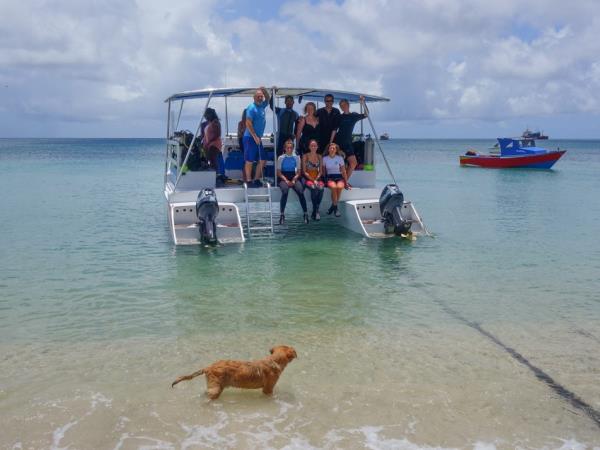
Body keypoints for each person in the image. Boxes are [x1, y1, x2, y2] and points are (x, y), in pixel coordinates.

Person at [332, 96, 367, 181]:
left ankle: (344, 182)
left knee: (353, 163)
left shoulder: (353, 115)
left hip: (348, 143)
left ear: (348, 105)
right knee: (340, 164)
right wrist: (331, 143)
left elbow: (366, 114)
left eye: (344, 105)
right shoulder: (339, 117)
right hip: (338, 142)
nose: (343, 107)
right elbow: (334, 130)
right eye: (341, 106)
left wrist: (363, 103)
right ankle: (339, 182)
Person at [277, 139, 309, 225]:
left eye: (291, 148)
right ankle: (282, 215)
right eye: (287, 148)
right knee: (285, 191)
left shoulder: (296, 158)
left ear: (293, 148)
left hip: (294, 176)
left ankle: (305, 214)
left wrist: (294, 180)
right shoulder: (281, 158)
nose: (289, 149)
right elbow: (279, 173)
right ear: (285, 148)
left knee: (300, 191)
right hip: (283, 177)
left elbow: (298, 172)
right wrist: (286, 181)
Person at [243, 87, 270, 187]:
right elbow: (248, 123)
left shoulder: (262, 105)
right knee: (249, 160)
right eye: (258, 96)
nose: (260, 98)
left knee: (263, 159)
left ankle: (256, 179)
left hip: (258, 138)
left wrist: (264, 90)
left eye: (261, 96)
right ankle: (249, 181)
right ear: (254, 97)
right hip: (250, 138)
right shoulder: (251, 108)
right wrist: (254, 136)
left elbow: (268, 98)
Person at [322, 142, 348, 217]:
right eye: (331, 148)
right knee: (334, 187)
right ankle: (335, 208)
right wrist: (324, 181)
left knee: (339, 187)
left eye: (334, 148)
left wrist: (346, 182)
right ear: (328, 149)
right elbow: (324, 171)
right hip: (330, 177)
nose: (332, 149)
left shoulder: (340, 158)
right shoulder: (325, 159)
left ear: (336, 150)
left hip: (339, 177)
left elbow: (343, 171)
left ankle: (333, 206)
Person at [301, 139, 324, 221]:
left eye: (315, 146)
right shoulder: (305, 156)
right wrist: (313, 180)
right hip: (308, 178)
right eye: (312, 145)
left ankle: (316, 209)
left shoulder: (319, 156)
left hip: (317, 177)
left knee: (321, 188)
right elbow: (304, 171)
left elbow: (320, 171)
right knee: (314, 187)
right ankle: (316, 210)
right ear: (309, 147)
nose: (313, 147)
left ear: (317, 147)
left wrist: (316, 179)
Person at [201, 108, 223, 178]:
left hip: (214, 145)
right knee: (210, 161)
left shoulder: (215, 122)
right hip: (208, 145)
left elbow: (217, 134)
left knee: (213, 161)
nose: (205, 117)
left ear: (210, 114)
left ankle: (215, 177)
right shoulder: (209, 123)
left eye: (206, 115)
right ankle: (212, 177)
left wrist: (209, 141)